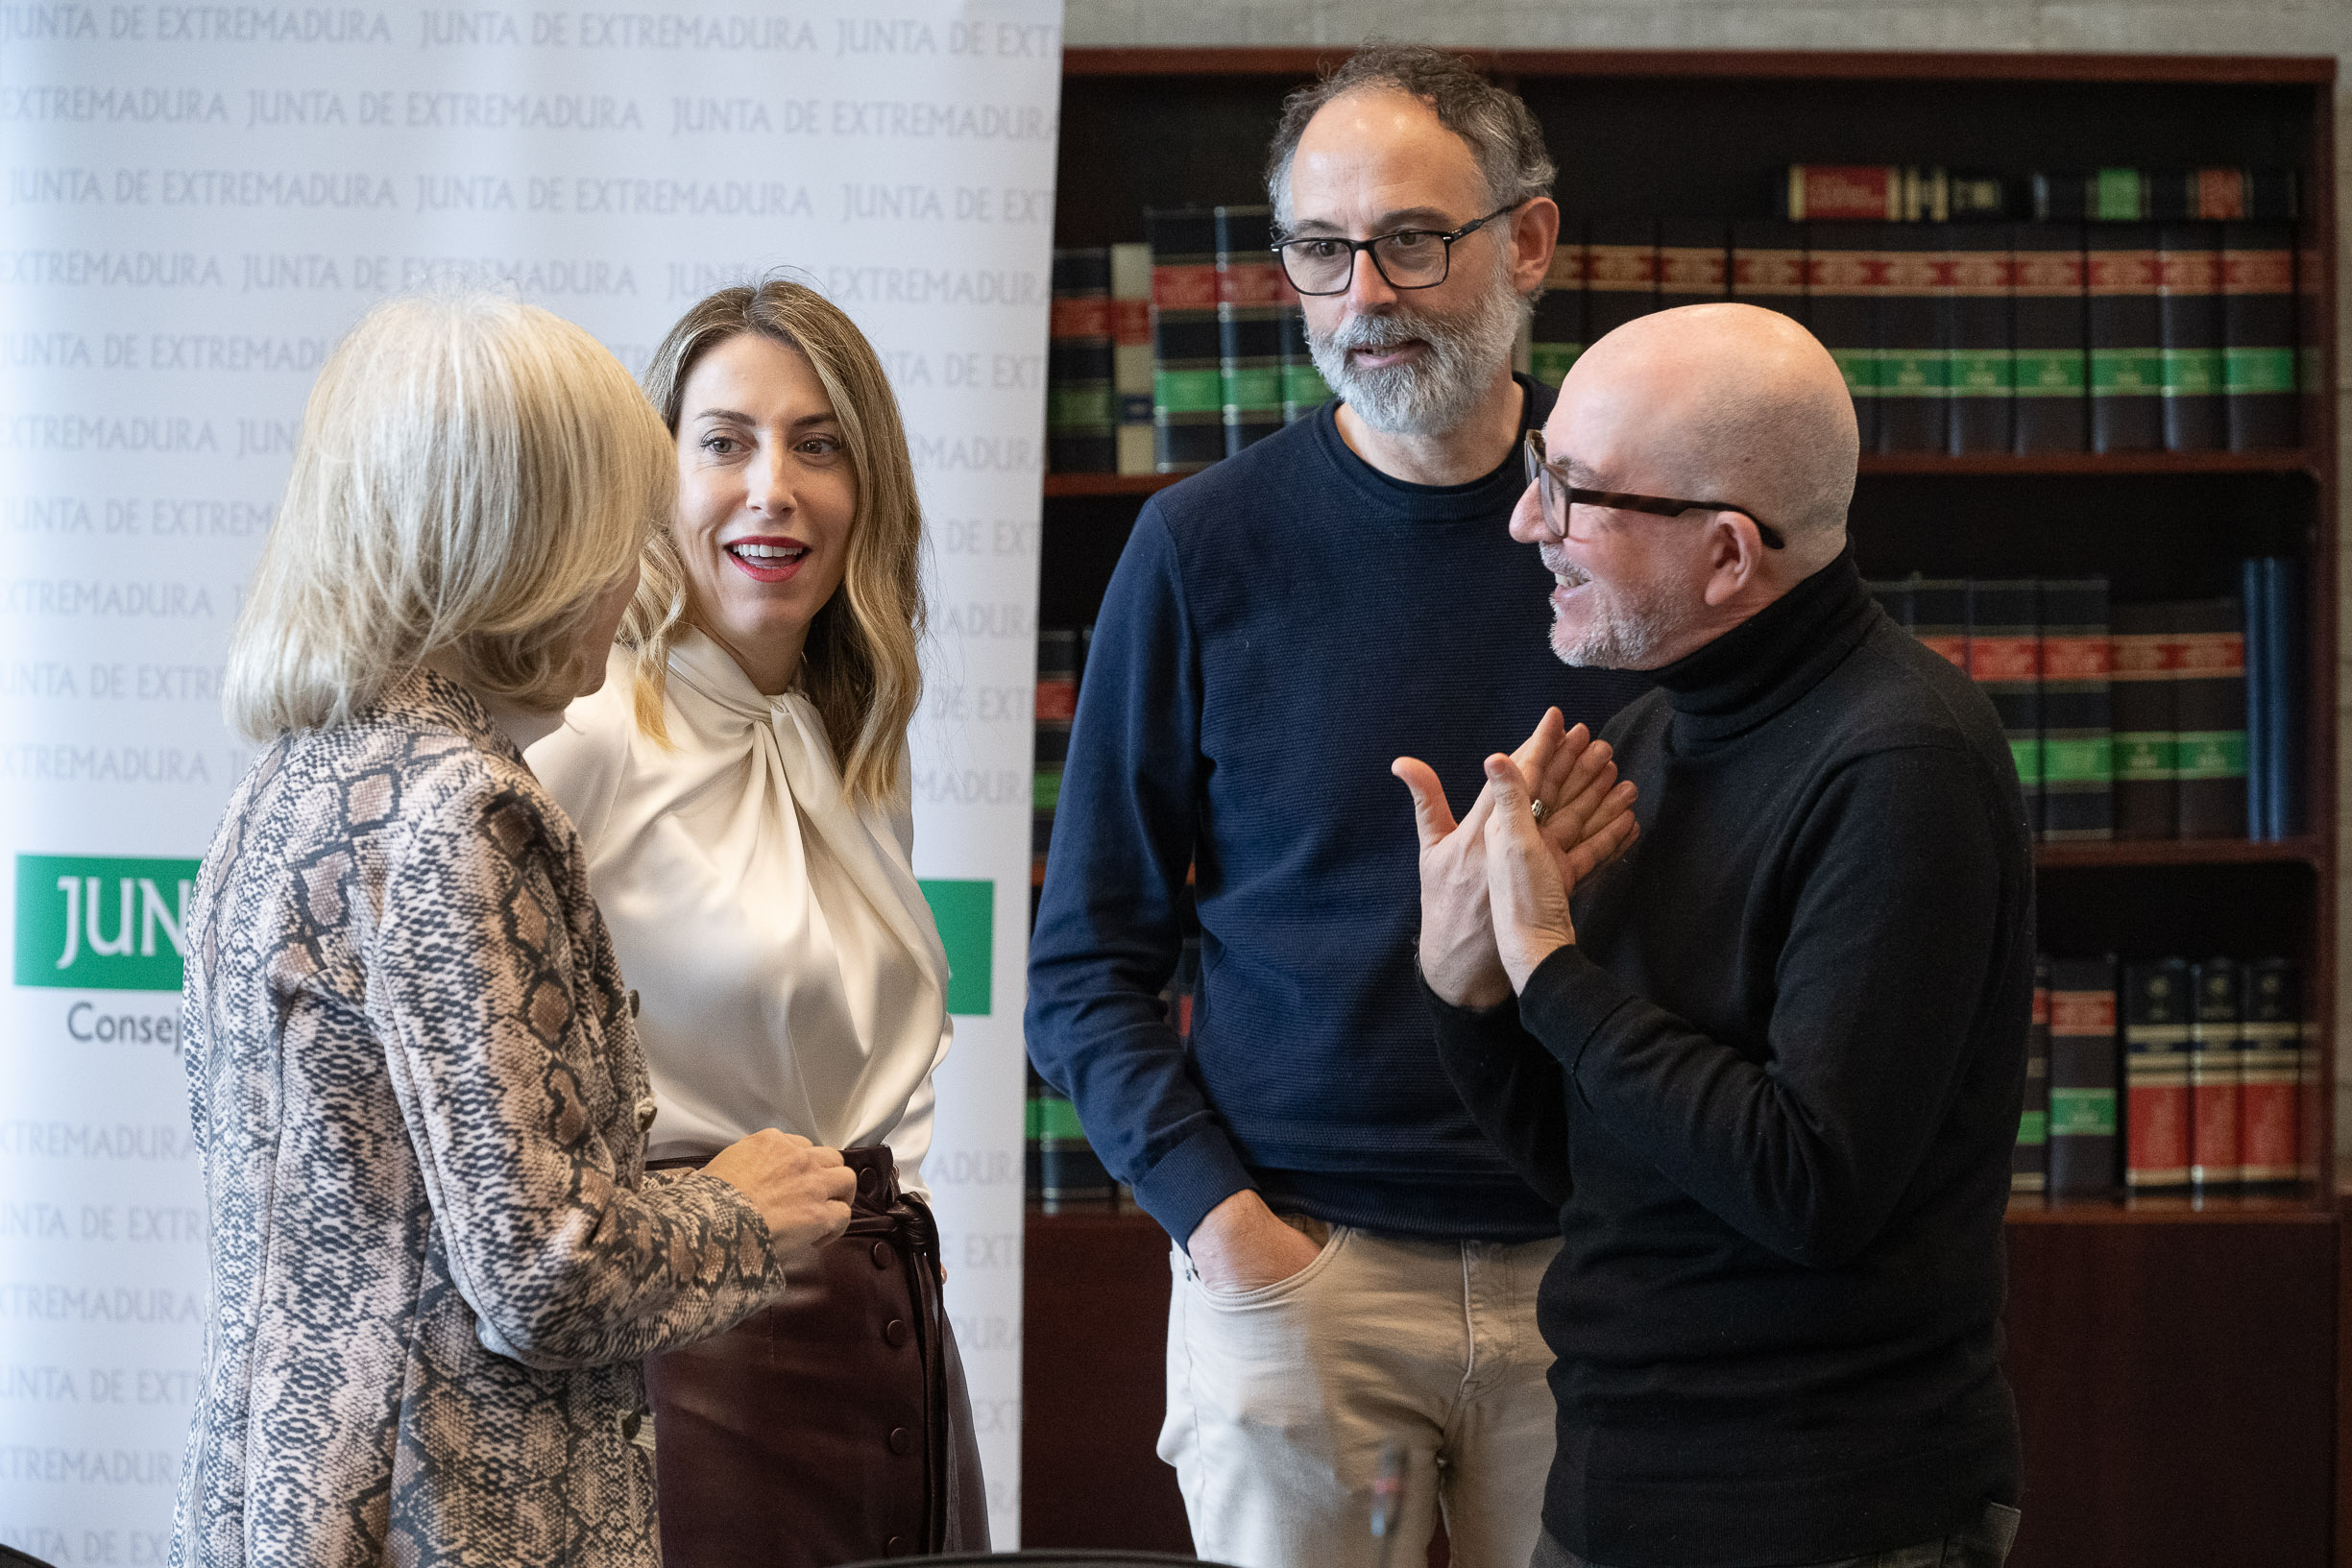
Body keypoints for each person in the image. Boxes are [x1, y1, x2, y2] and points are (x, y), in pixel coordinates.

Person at [1026, 45, 1649, 1568]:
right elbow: (1081, 964)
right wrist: (1226, 1234)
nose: (1364, 293)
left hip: (1607, 1273)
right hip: (1302, 1274)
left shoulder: (1642, 535)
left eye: (1413, 240)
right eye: (1320, 249)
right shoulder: (1195, 548)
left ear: (1528, 242)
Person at [175, 294, 859, 1568]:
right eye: (610, 523)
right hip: (456, 1522)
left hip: (282, 1505)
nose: (639, 570)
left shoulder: (289, 783)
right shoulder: (466, 808)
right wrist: (738, 1210)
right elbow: (547, 1268)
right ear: (518, 539)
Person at [1400, 302, 2030, 1568]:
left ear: (1728, 554)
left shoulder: (1900, 759)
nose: (1529, 524)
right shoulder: (1645, 740)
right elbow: (1602, 1172)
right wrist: (1464, 986)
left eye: (1573, 494)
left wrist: (1549, 968)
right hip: (1613, 1489)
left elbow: (1809, 1187)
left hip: (1826, 1515)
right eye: (1542, 477)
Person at [525, 278, 984, 1568]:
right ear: (657, 480)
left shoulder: (852, 740)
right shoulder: (587, 730)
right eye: (724, 441)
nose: (771, 485)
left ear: (867, 484)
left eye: (816, 441)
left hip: (890, 1332)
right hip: (687, 1367)